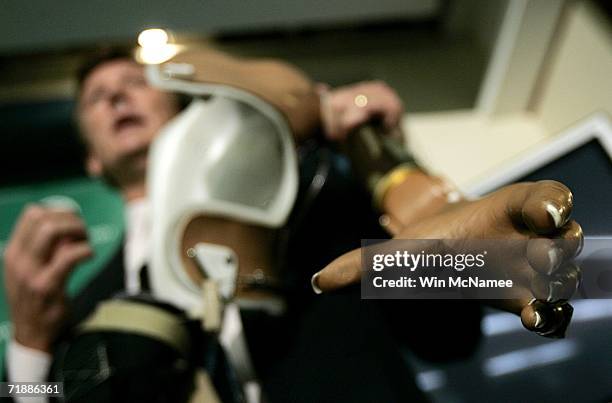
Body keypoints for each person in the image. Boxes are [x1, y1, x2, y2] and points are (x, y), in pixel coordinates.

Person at [2, 46, 582, 402]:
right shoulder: (82, 308)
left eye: (134, 83)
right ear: (92, 161)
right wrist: (27, 348)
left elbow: (449, 342)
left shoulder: (317, 202)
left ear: (182, 103)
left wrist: (385, 167)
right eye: (97, 98)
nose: (117, 98)